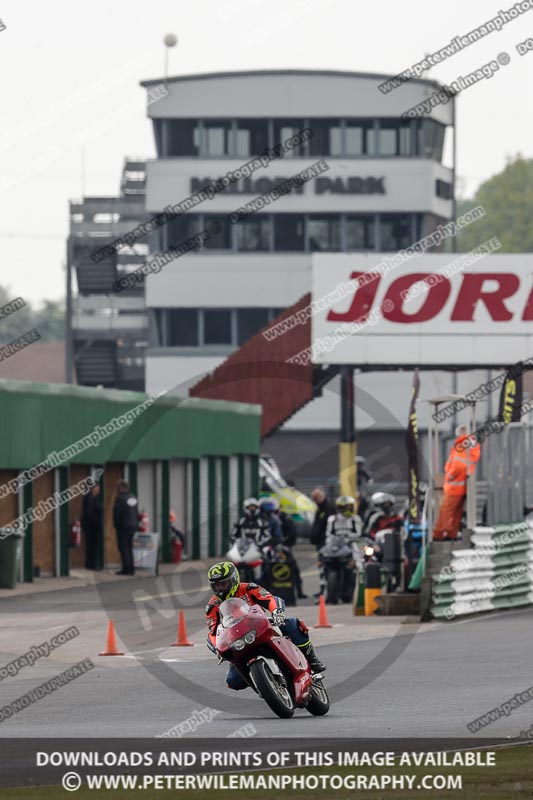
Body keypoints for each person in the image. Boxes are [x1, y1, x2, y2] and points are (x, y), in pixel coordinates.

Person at [205, 561, 325, 690]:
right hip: (238, 640)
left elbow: (269, 599)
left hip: (260, 626)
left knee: (293, 624)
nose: (220, 588)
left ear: (234, 579)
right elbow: (213, 631)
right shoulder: (212, 605)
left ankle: (312, 660)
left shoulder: (249, 588)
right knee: (232, 681)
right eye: (216, 585)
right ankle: (264, 685)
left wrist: (277, 611)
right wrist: (217, 647)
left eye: (223, 584)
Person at [433, 424, 481, 541]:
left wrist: (449, 476)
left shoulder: (462, 445)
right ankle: (451, 534)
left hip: (454, 486)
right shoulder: (473, 445)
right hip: (463, 485)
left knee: (446, 511)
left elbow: (458, 465)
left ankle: (439, 534)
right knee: (457, 512)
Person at [259, 497, 307, 599]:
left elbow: (285, 534)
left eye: (273, 510)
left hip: (277, 545)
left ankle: (298, 589)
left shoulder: (280, 519)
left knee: (291, 563)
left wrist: (283, 542)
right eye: (266, 510)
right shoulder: (258, 520)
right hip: (261, 546)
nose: (270, 513)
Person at [112, 479, 139, 575]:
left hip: (123, 526)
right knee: (129, 547)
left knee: (123, 547)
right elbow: (136, 512)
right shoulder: (133, 497)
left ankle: (126, 569)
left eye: (117, 488)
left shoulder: (120, 498)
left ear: (121, 488)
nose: (116, 490)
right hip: (133, 526)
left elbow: (117, 513)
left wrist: (115, 524)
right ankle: (131, 568)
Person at [81, 483, 103, 570]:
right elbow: (89, 514)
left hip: (95, 526)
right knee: (91, 546)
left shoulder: (95, 498)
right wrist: (96, 522)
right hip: (92, 527)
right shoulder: (89, 498)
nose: (98, 490)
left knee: (93, 546)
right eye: (97, 488)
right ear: (93, 489)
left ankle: (91, 564)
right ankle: (91, 564)